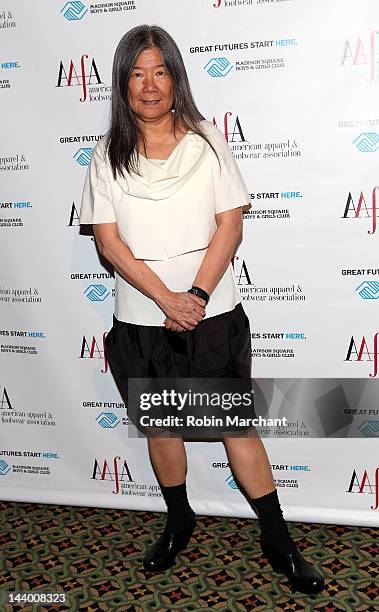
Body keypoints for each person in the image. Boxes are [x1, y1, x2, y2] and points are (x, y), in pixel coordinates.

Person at [79, 24, 324, 594]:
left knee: (236, 427)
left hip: (212, 311)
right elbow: (109, 241)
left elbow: (229, 225)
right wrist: (164, 298)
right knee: (163, 429)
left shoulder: (209, 141)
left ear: (175, 77)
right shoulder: (107, 154)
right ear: (122, 84)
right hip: (141, 315)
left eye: (159, 71)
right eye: (136, 74)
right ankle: (179, 517)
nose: (149, 85)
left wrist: (195, 296)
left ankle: (278, 538)